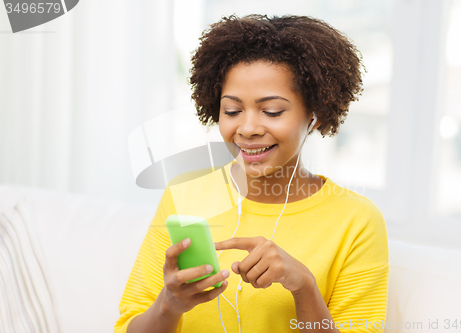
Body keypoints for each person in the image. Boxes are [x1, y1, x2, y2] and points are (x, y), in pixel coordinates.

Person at [115, 14, 390, 333]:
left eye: (272, 111)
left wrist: (303, 287)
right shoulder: (183, 194)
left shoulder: (355, 220)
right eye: (231, 111)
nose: (246, 128)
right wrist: (170, 305)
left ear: (314, 115)